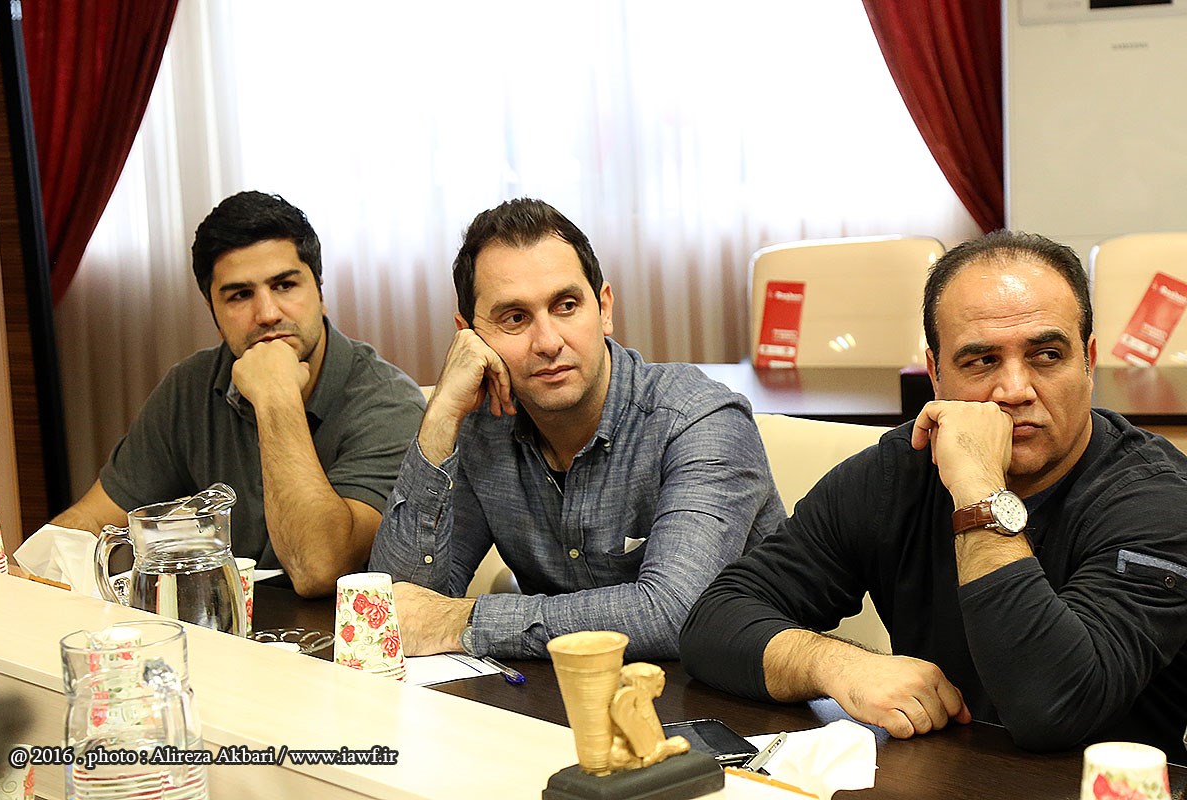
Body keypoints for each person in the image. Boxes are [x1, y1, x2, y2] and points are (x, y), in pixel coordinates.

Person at [680, 230, 1187, 755]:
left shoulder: (1158, 499)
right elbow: (715, 622)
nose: (1015, 390)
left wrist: (978, 488)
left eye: (1047, 354)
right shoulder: (897, 472)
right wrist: (841, 666)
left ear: (1088, 361)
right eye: (981, 361)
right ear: (936, 375)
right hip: (936, 776)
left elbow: (1051, 705)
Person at [369, 197, 784, 659]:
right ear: (469, 334)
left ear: (603, 308)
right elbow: (393, 611)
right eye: (515, 318)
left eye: (566, 306)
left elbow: (674, 612)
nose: (548, 342)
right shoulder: (482, 427)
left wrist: (460, 621)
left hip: (737, 694)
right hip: (561, 693)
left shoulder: (699, 419)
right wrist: (441, 416)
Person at [51, 191, 425, 597]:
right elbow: (91, 521)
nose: (267, 314)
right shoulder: (189, 386)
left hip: (338, 632)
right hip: (219, 627)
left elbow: (318, 568)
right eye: (240, 295)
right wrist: (28, 574)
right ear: (214, 314)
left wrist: (275, 397)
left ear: (320, 294)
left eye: (285, 285)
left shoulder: (388, 401)